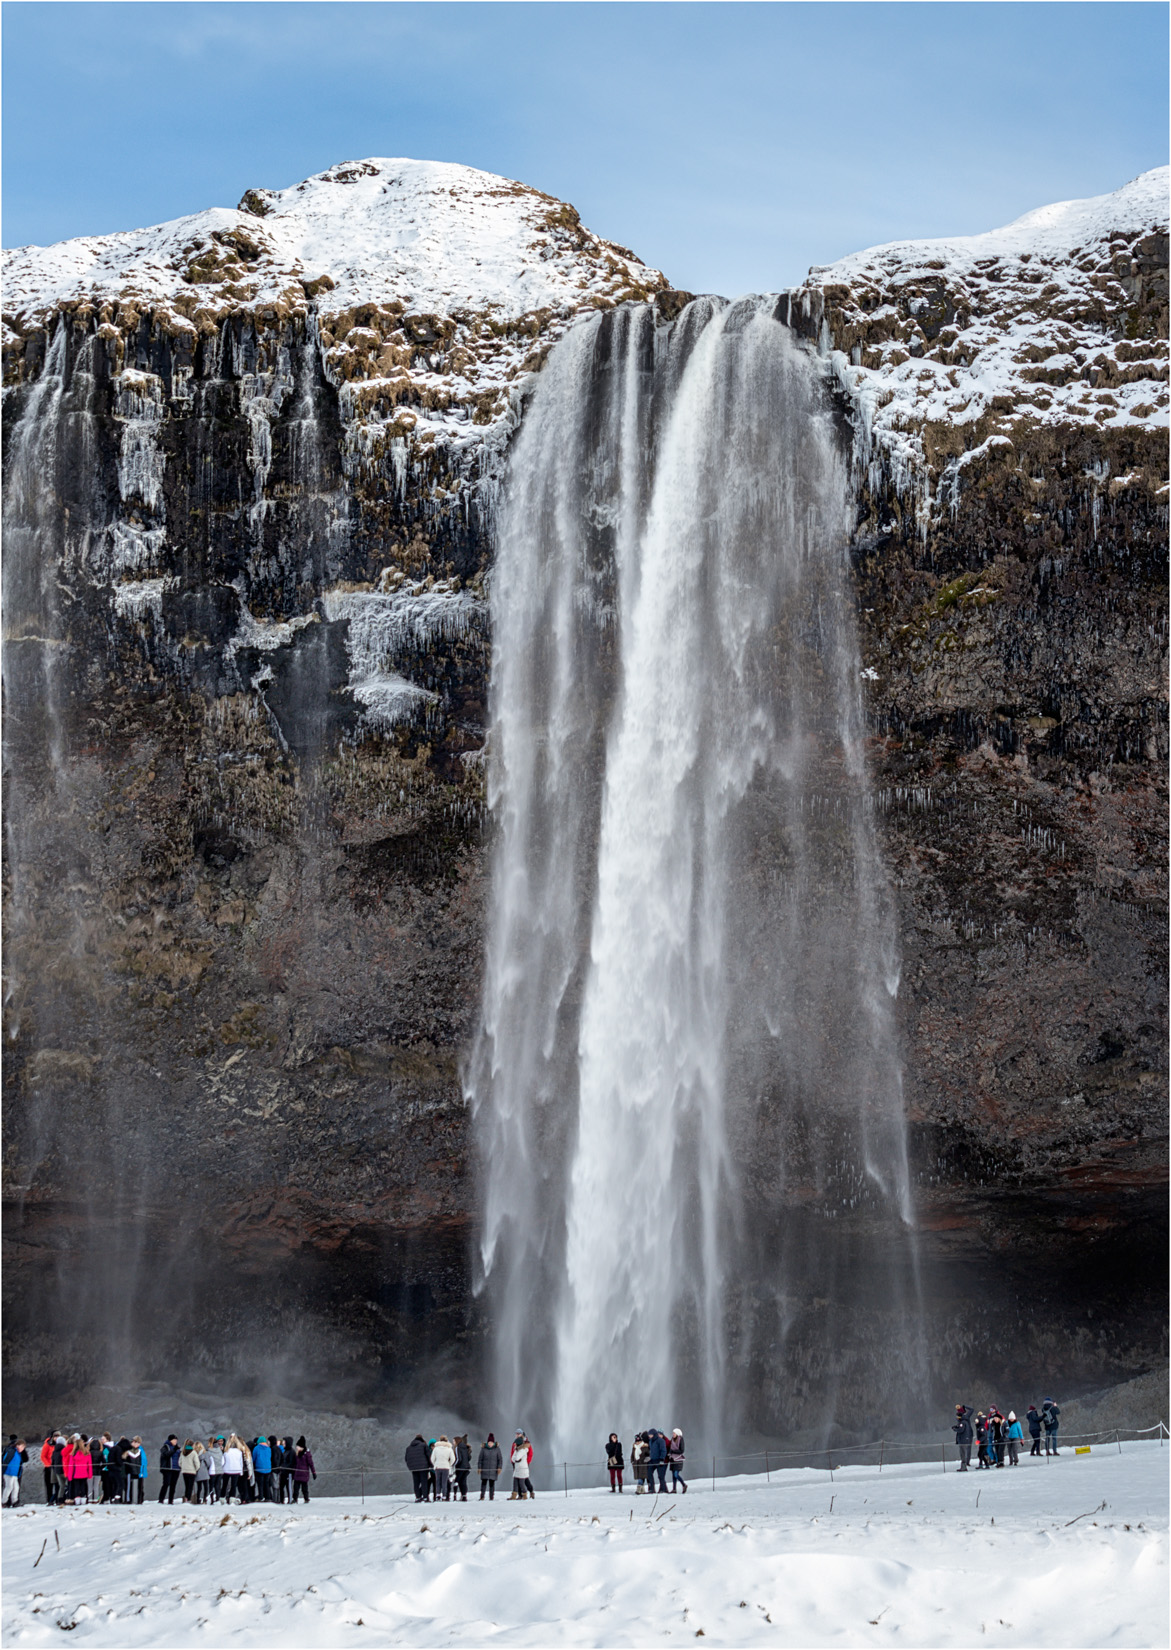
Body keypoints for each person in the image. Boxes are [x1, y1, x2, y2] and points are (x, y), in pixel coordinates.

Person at [405, 1434, 430, 1502]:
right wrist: (430, 1466)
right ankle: (425, 1497)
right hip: (423, 1467)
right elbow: (428, 1456)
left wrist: (410, 1467)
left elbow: (406, 1459)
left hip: (414, 1468)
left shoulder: (408, 1448)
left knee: (416, 1483)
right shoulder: (424, 1445)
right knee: (424, 1482)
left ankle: (418, 1497)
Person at [2, 1439, 27, 1507]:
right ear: (17, 1445)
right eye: (21, 1447)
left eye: (23, 1448)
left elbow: (20, 1464)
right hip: (8, 1472)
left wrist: (18, 1473)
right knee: (9, 1487)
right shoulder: (11, 1451)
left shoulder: (19, 1454)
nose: (22, 1449)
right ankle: (4, 1502)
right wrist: (2, 1471)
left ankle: (15, 1501)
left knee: (16, 1488)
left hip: (15, 1474)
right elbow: (5, 1461)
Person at [478, 1434, 502, 1500]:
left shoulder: (497, 1449)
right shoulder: (483, 1449)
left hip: (493, 1470)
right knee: (483, 1483)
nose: (490, 1444)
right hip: (484, 1469)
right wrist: (479, 1467)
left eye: (491, 1443)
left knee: (492, 1484)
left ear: (493, 1443)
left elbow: (500, 1459)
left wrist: (499, 1467)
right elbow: (480, 1459)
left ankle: (491, 1497)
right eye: (489, 1442)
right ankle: (482, 1496)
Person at [431, 1435, 455, 1501]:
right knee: (444, 1482)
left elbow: (432, 1458)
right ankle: (444, 1496)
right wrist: (449, 1464)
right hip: (446, 1467)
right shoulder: (449, 1449)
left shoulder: (436, 1448)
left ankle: (438, 1495)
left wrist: (435, 1464)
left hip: (438, 1467)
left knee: (438, 1482)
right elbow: (453, 1459)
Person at [292, 1437, 315, 1503]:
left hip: (304, 1475)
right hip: (297, 1474)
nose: (296, 1447)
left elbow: (311, 1464)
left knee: (304, 1488)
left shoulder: (307, 1454)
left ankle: (306, 1499)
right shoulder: (296, 1454)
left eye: (298, 1446)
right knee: (296, 1488)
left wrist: (313, 1472)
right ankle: (295, 1499)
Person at [221, 1436, 245, 1503]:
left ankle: (222, 1498)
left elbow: (222, 1462)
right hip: (236, 1470)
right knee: (233, 1486)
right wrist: (241, 1472)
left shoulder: (226, 1452)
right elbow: (241, 1463)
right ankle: (232, 1499)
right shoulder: (239, 1452)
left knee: (224, 1485)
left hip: (227, 1470)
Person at [123, 1438, 145, 1505]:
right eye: (135, 1442)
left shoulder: (139, 1451)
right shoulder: (127, 1451)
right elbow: (125, 1461)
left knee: (138, 1486)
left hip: (137, 1471)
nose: (137, 1444)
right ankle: (128, 1499)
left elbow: (140, 1461)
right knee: (129, 1486)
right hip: (129, 1472)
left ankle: (137, 1500)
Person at [952, 1404, 974, 1471]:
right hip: (967, 1436)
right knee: (965, 1450)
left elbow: (961, 1430)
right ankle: (966, 1463)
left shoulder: (964, 1419)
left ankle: (965, 1464)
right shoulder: (964, 1420)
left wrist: (955, 1429)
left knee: (963, 1451)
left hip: (965, 1437)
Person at [647, 1428, 668, 1495]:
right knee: (649, 1473)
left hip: (659, 1460)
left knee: (661, 1476)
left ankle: (663, 1489)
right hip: (652, 1460)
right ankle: (652, 1489)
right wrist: (649, 1457)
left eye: (650, 1435)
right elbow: (651, 1450)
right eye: (649, 1435)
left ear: (654, 1434)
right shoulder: (650, 1441)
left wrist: (662, 1459)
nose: (649, 1436)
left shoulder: (660, 1441)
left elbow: (663, 1450)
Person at [253, 1435, 273, 1502]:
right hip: (268, 1469)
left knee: (260, 1484)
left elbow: (254, 1458)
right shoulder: (269, 1449)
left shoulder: (256, 1448)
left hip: (259, 1469)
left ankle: (260, 1497)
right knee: (266, 1484)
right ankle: (268, 1497)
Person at [50, 1433, 69, 1507]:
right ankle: (64, 1498)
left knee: (61, 1486)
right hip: (63, 1470)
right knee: (66, 1485)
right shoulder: (64, 1450)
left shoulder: (54, 1451)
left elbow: (53, 1462)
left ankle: (59, 1499)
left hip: (57, 1471)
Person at [179, 1439, 200, 1503]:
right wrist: (196, 1469)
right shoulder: (193, 1452)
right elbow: (197, 1463)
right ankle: (188, 1499)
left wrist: (183, 1467)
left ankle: (185, 1498)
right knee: (190, 1486)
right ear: (192, 1445)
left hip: (184, 1471)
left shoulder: (183, 1452)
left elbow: (180, 1462)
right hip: (191, 1471)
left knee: (186, 1486)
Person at [509, 1433, 529, 1500]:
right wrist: (515, 1459)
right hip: (517, 1469)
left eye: (516, 1443)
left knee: (521, 1484)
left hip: (522, 1469)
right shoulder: (517, 1449)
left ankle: (525, 1495)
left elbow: (516, 1458)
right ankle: (514, 1496)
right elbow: (513, 1458)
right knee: (515, 1482)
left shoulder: (523, 1450)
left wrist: (515, 1459)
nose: (514, 1444)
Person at [668, 1429, 687, 1493]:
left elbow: (682, 1450)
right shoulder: (672, 1440)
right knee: (673, 1475)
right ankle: (674, 1489)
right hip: (672, 1459)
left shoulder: (681, 1439)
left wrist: (672, 1451)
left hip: (678, 1459)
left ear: (677, 1434)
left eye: (674, 1433)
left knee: (676, 1474)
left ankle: (684, 1485)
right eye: (673, 1433)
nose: (673, 1434)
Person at [453, 1435, 471, 1502]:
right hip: (467, 1467)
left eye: (454, 1441)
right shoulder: (465, 1447)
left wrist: (453, 1465)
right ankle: (464, 1496)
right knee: (463, 1482)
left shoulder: (458, 1447)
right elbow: (469, 1458)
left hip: (460, 1468)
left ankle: (454, 1495)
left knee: (457, 1481)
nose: (453, 1443)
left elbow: (458, 1459)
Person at [40, 1433, 56, 1505]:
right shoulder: (47, 1444)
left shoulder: (60, 1444)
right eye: (55, 1436)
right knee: (49, 1485)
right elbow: (43, 1456)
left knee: (57, 1485)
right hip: (48, 1468)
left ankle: (56, 1499)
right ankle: (49, 1500)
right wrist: (48, 1465)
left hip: (57, 1467)